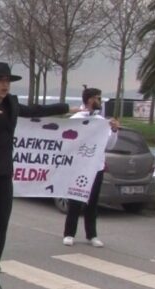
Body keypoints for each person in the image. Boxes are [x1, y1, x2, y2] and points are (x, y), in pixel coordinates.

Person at [0, 62, 72, 289]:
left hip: (3, 172)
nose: (5, 84)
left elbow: (33, 111)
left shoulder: (12, 103)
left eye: (8, 80)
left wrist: (65, 107)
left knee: (2, 224)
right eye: (0, 80)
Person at [62, 87, 119, 248]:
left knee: (92, 202)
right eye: (98, 98)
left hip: (96, 167)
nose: (100, 101)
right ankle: (69, 233)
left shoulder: (101, 122)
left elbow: (110, 145)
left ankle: (91, 234)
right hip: (79, 167)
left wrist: (114, 131)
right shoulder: (76, 119)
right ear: (89, 100)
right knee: (75, 200)